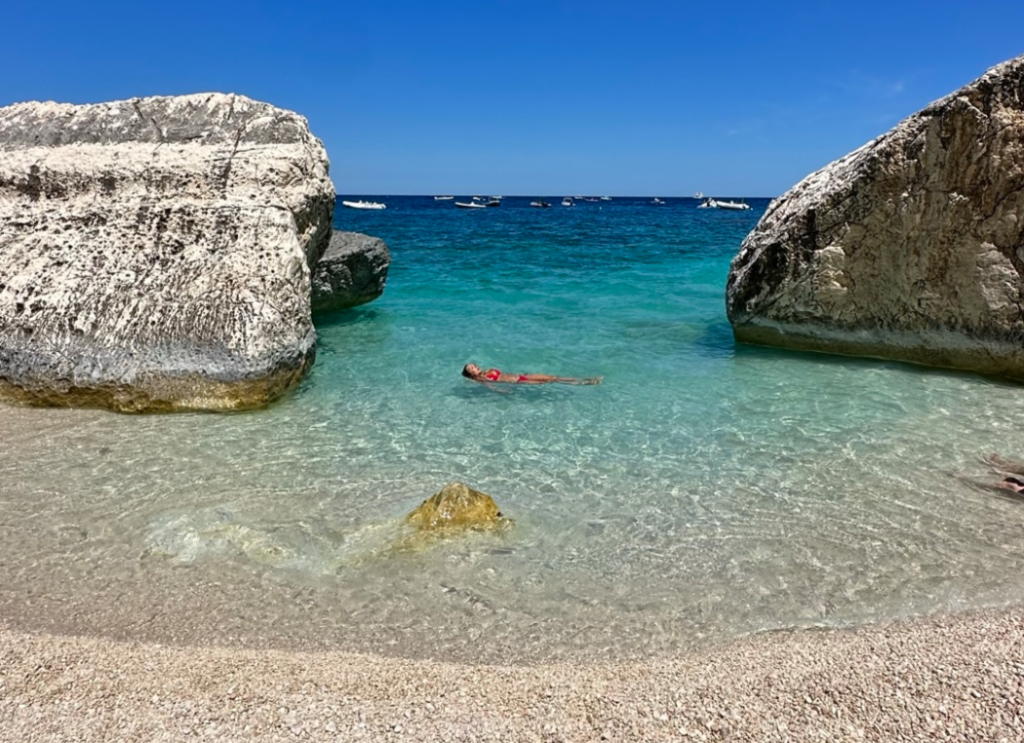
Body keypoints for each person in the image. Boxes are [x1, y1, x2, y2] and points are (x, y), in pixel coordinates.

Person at [462, 363, 602, 386]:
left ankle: (586, 379)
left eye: (473, 366)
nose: (475, 368)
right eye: (471, 369)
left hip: (522, 375)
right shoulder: (482, 379)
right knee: (550, 381)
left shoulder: (487, 370)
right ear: (471, 374)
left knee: (553, 377)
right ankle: (585, 383)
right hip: (519, 382)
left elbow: (503, 373)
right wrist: (502, 390)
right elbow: (492, 387)